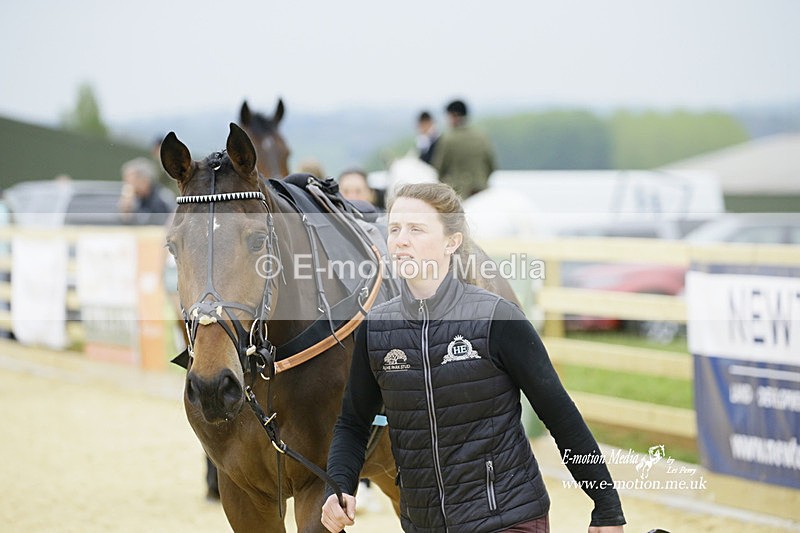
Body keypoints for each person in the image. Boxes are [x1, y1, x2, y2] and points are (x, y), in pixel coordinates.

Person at [321, 183, 626, 533]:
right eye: (394, 229)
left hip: (508, 517)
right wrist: (340, 485)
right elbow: (353, 423)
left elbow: (561, 416)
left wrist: (606, 506)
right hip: (423, 524)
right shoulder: (376, 328)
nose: (400, 240)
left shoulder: (497, 318)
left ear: (452, 242)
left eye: (416, 229)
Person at [431, 99, 496, 199]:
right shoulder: (481, 136)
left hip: (460, 194)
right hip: (483, 192)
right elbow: (491, 166)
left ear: (454, 115)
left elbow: (439, 169)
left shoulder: (448, 138)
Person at [118, 157, 175, 225]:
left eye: (130, 181)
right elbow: (126, 222)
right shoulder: (133, 199)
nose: (127, 185)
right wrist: (126, 208)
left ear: (144, 180)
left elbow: (172, 220)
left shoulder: (163, 197)